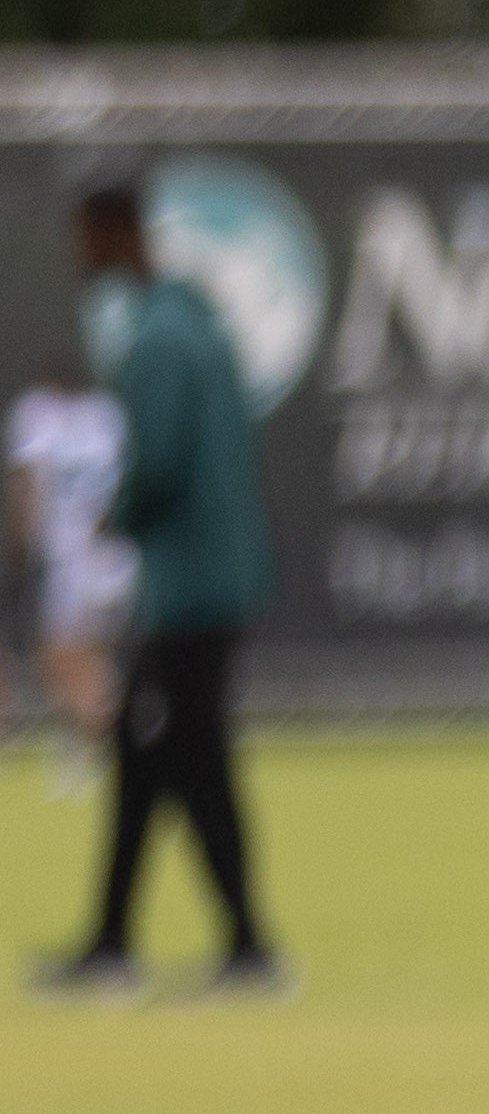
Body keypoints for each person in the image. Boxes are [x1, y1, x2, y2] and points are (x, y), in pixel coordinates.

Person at [32, 177, 285, 997]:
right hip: (206, 580)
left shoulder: (156, 342)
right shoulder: (193, 326)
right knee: (142, 756)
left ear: (111, 235)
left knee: (194, 759)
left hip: (191, 590)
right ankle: (112, 943)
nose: (77, 257)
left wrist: (116, 514)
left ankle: (250, 949)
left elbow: (161, 465)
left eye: (83, 238)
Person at [8, 354, 130, 784]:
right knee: (91, 656)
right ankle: (88, 747)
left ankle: (118, 736)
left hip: (71, 556)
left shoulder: (38, 416)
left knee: (59, 656)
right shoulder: (107, 416)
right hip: (114, 551)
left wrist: (21, 543)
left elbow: (29, 485)